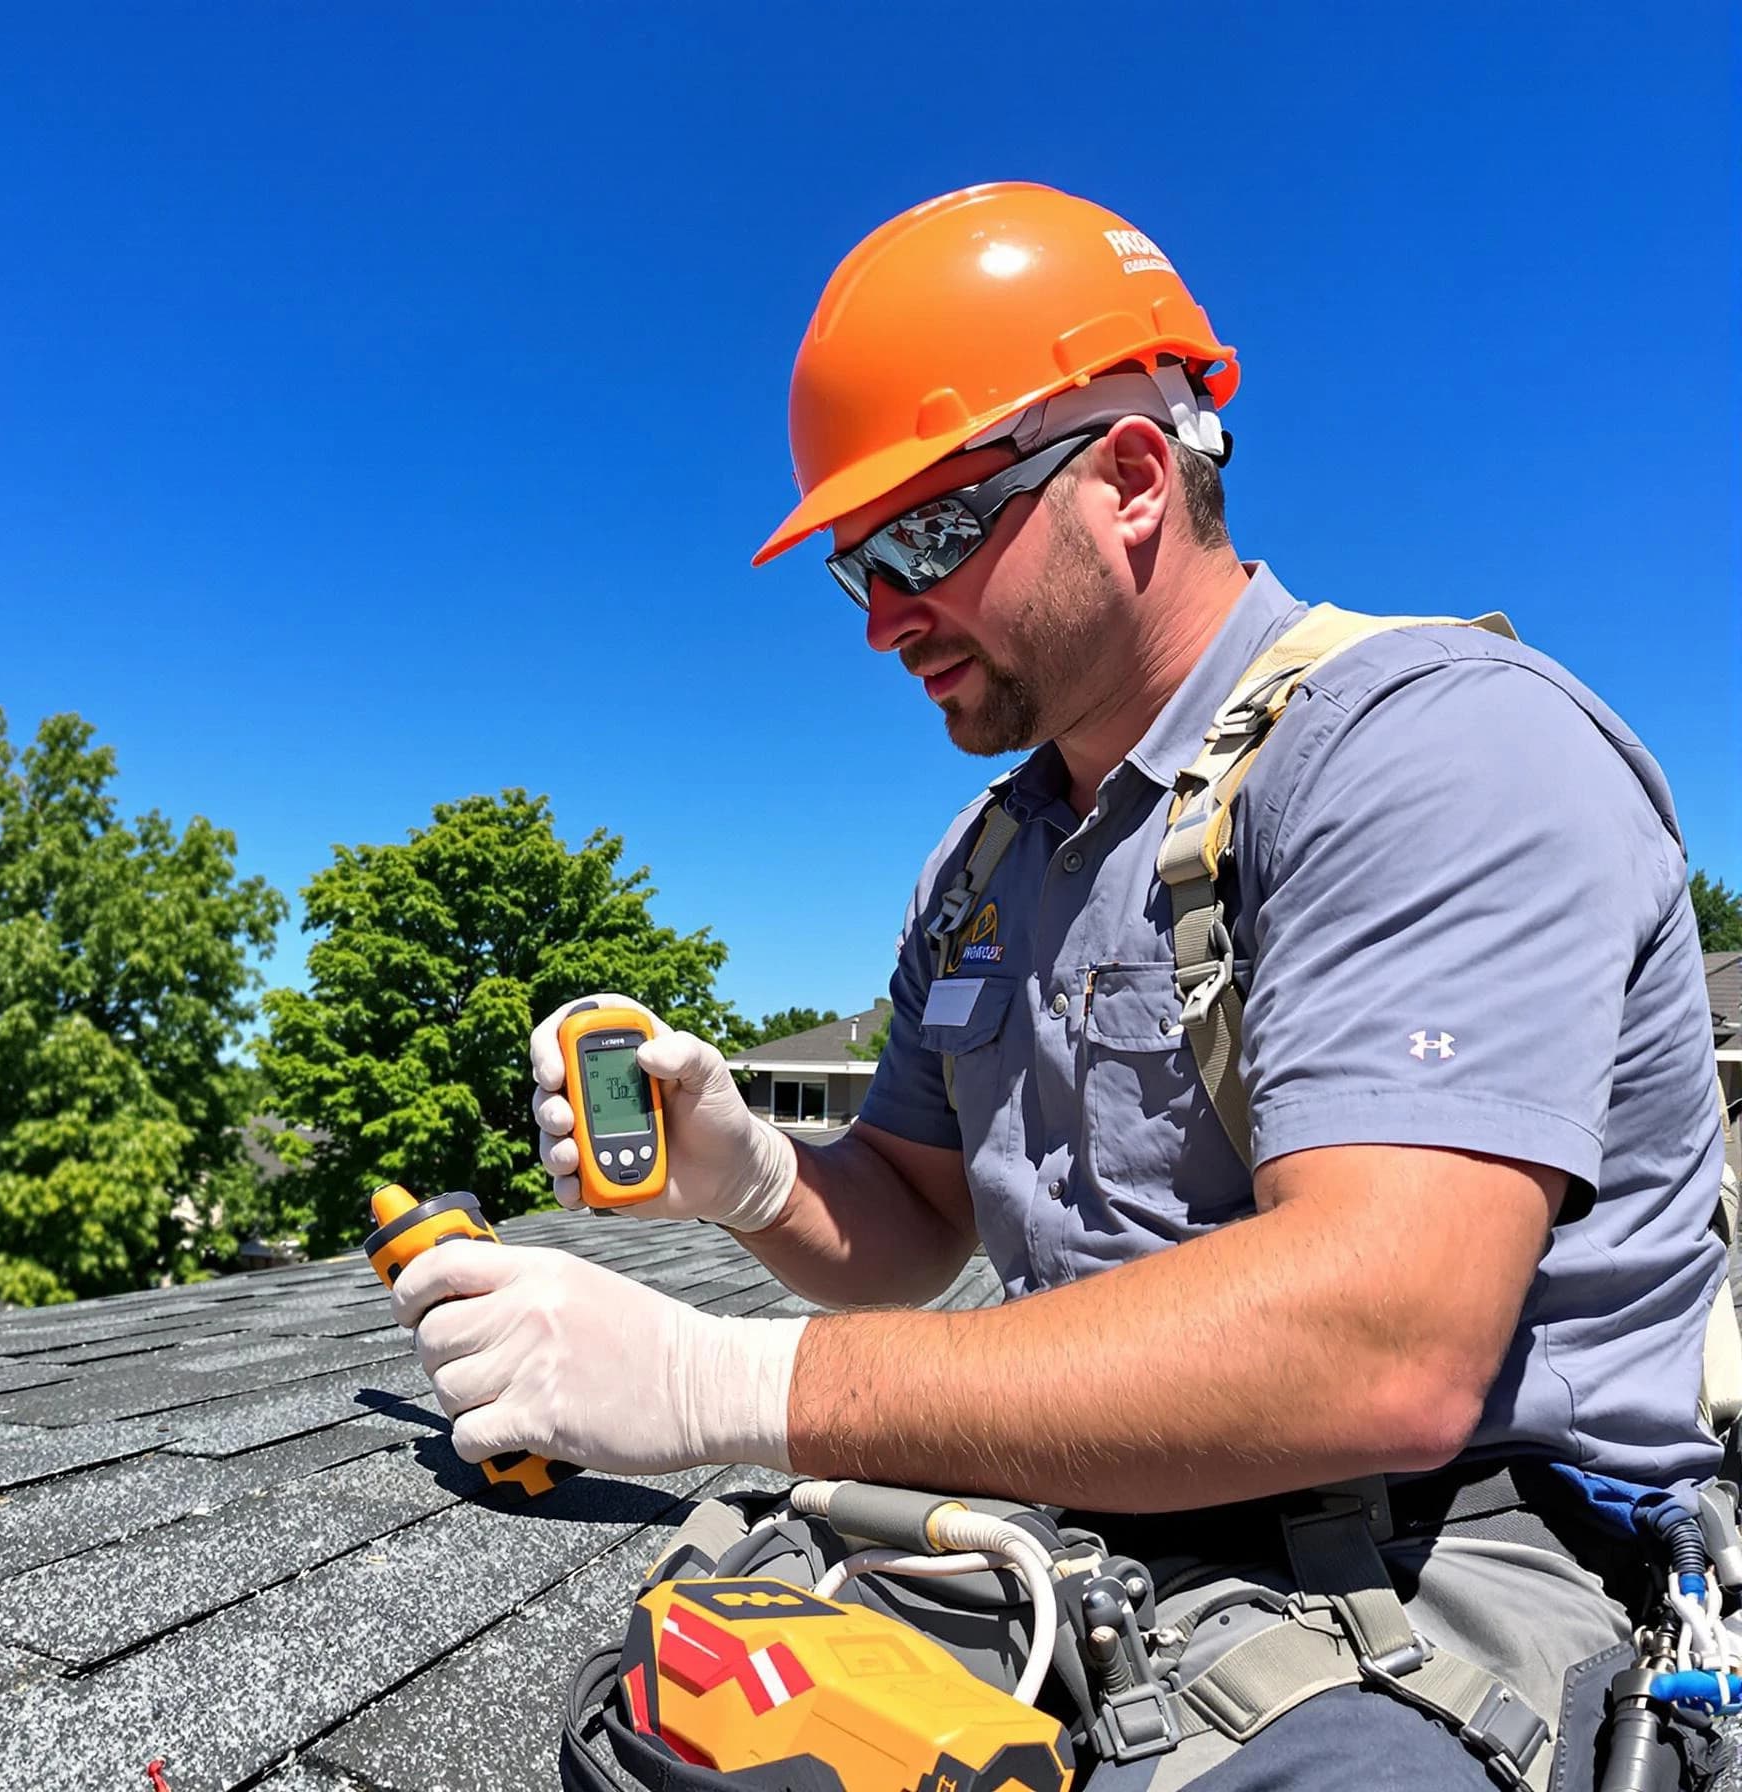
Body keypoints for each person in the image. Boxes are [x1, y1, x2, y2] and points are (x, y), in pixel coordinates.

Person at [388, 182, 1730, 1788]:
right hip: (1091, 1507)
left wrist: (711, 1380)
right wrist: (747, 1173)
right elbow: (910, 1219)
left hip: (1455, 1553)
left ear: (1135, 480)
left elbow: (1386, 1347)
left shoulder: (1435, 749)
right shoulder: (991, 860)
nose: (885, 618)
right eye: (855, 566)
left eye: (928, 537)